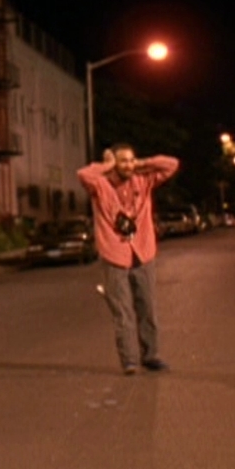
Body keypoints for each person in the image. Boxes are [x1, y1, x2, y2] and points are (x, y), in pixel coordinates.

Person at [77, 142, 180, 375]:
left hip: (143, 252)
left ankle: (151, 355)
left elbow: (171, 165)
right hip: (114, 254)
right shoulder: (100, 185)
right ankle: (130, 361)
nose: (128, 165)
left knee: (148, 308)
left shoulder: (142, 181)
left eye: (131, 160)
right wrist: (108, 166)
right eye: (123, 161)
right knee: (122, 311)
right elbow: (83, 174)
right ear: (113, 162)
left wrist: (140, 163)